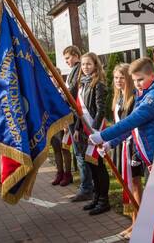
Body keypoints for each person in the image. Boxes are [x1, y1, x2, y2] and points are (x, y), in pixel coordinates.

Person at [89, 57, 154, 218]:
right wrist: (110, 143)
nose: (137, 84)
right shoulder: (144, 93)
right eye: (135, 80)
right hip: (149, 156)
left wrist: (102, 136)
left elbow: (131, 121)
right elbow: (132, 128)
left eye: (140, 79)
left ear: (152, 76)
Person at [74, 52, 110, 215]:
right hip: (84, 131)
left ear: (96, 65)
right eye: (83, 64)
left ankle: (104, 201)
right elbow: (79, 110)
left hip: (95, 131)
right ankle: (96, 197)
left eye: (88, 64)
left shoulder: (99, 84)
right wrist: (76, 128)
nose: (85, 67)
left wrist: (94, 133)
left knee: (98, 166)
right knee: (90, 165)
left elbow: (101, 109)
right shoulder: (81, 83)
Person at [111, 63, 143, 239]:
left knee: (136, 186)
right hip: (121, 145)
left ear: (128, 78)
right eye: (116, 77)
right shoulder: (118, 98)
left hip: (132, 146)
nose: (118, 80)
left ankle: (138, 223)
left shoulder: (134, 98)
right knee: (128, 185)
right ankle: (133, 222)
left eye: (122, 77)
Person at [63, 46, 93, 201]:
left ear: (76, 55)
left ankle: (87, 188)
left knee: (81, 154)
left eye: (68, 58)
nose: (67, 61)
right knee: (79, 154)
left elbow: (72, 93)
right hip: (73, 117)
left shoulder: (76, 71)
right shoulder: (72, 71)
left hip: (78, 118)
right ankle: (87, 186)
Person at [49, 67, 73, 187]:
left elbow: (68, 108)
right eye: (51, 76)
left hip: (64, 124)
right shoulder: (47, 90)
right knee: (56, 149)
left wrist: (67, 124)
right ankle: (59, 173)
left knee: (65, 149)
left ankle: (68, 175)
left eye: (55, 75)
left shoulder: (64, 89)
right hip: (52, 124)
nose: (53, 78)